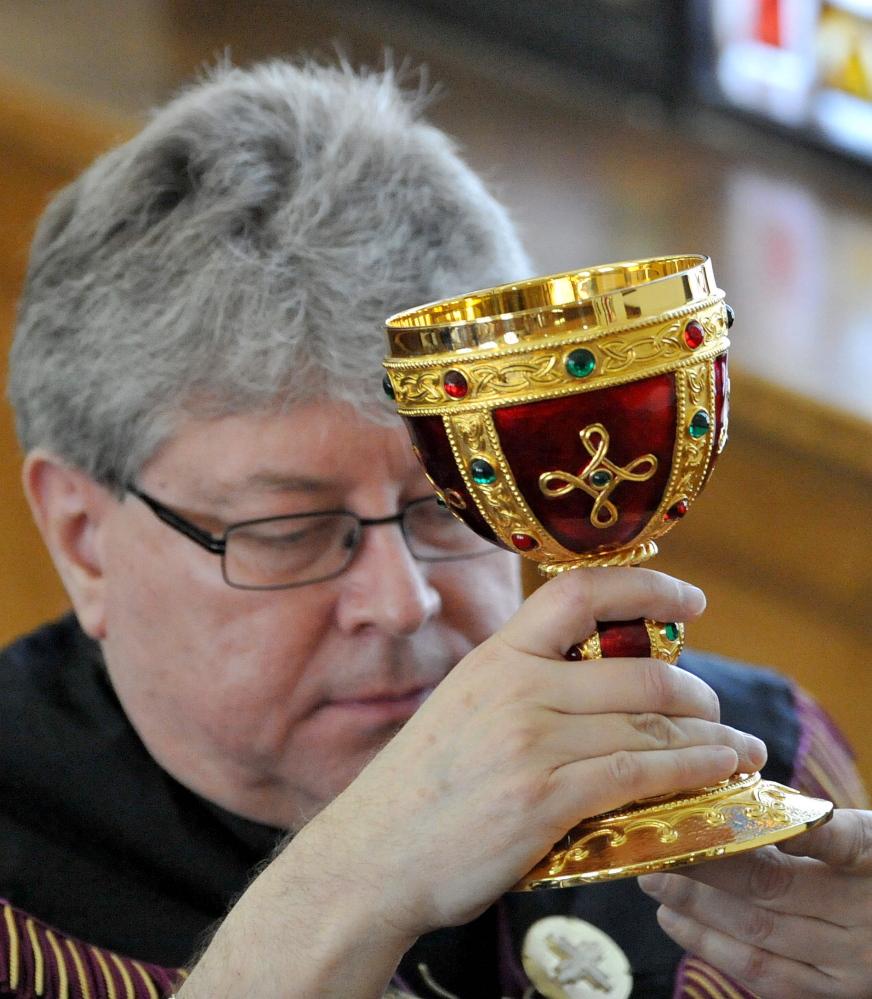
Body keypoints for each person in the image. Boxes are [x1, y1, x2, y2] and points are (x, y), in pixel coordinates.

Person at [2, 57, 870, 999]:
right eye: (289, 529)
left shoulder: (758, 764)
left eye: (453, 503)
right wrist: (355, 884)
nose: (404, 599)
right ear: (82, 537)